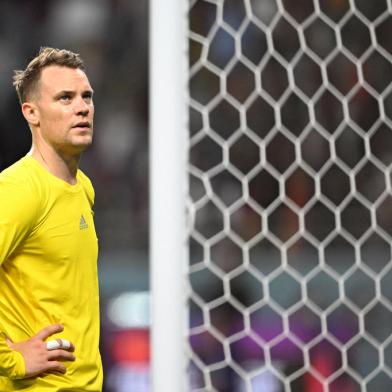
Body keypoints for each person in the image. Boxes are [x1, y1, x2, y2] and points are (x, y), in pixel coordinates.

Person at [0, 47, 103, 391]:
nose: (82, 107)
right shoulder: (18, 190)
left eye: (86, 96)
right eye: (65, 98)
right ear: (32, 112)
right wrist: (10, 359)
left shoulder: (83, 187)